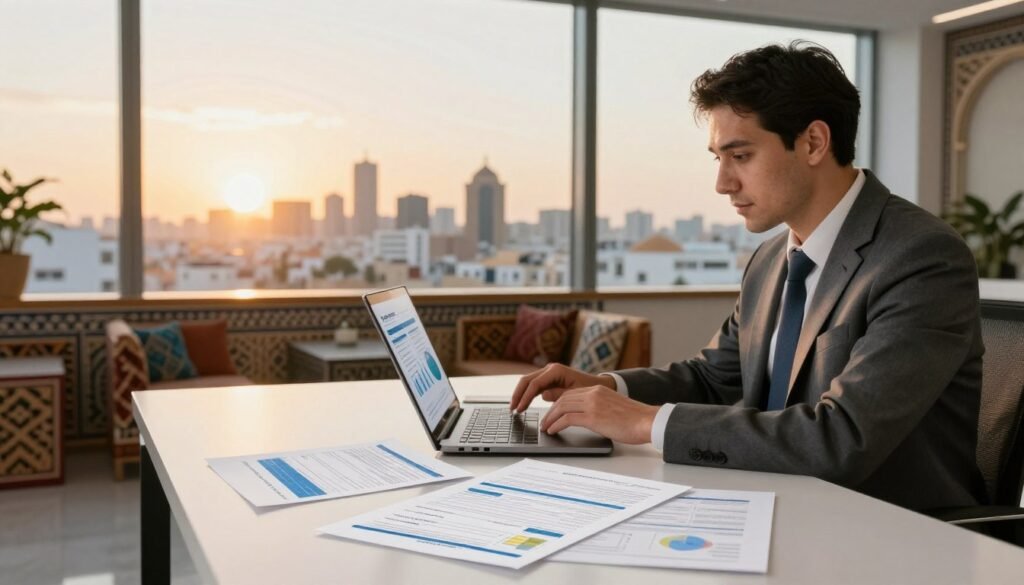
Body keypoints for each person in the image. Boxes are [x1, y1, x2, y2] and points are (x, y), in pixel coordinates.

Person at [509, 41, 986, 511]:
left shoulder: (920, 257)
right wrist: (608, 390)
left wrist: (646, 423)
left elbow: (843, 438)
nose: (722, 183)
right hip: (771, 502)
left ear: (814, 142)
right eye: (718, 158)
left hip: (886, 531)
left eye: (741, 156)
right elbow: (713, 379)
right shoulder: (770, 260)